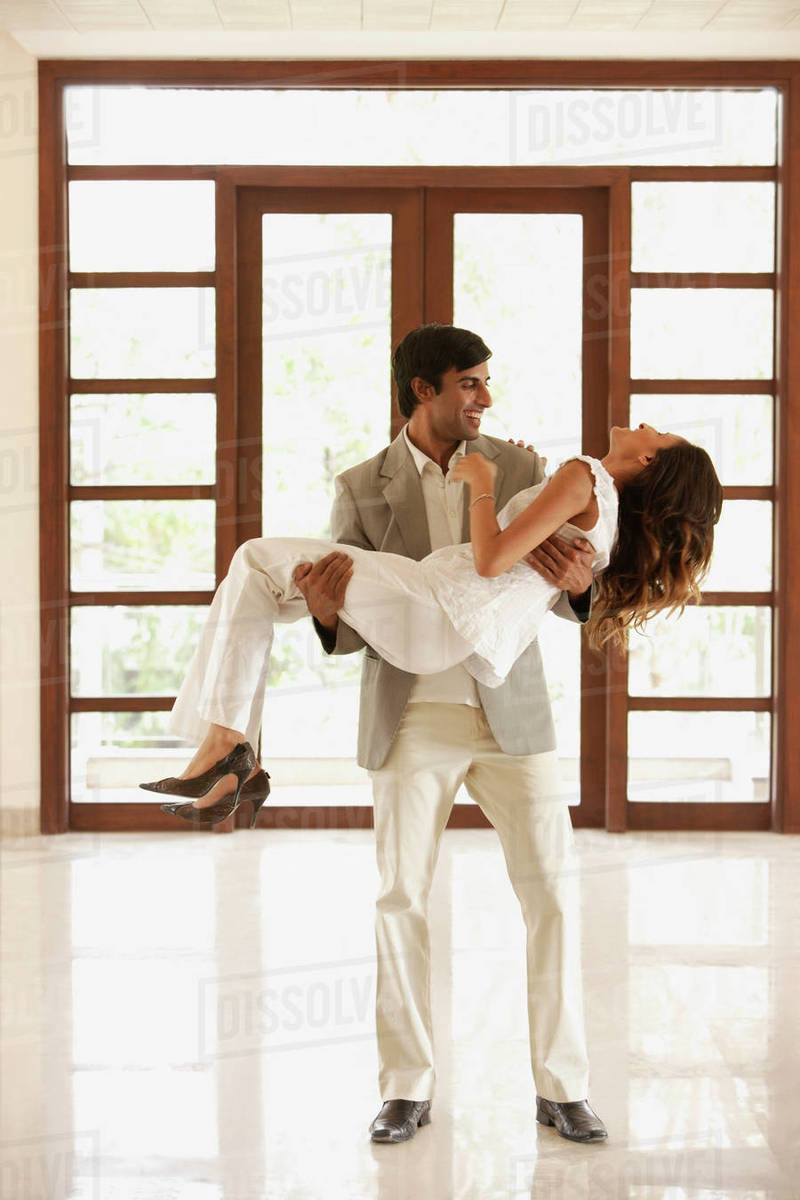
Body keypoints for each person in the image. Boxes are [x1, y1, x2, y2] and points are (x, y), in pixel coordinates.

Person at [143, 324, 722, 1145]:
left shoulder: (526, 466)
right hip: (410, 705)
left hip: (509, 712)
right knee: (400, 897)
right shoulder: (361, 484)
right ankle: (406, 1086)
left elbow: (557, 590)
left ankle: (564, 1087)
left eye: (489, 384)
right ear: (425, 390)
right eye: (472, 385)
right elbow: (347, 617)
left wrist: (586, 583)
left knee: (553, 894)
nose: (487, 399)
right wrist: (323, 612)